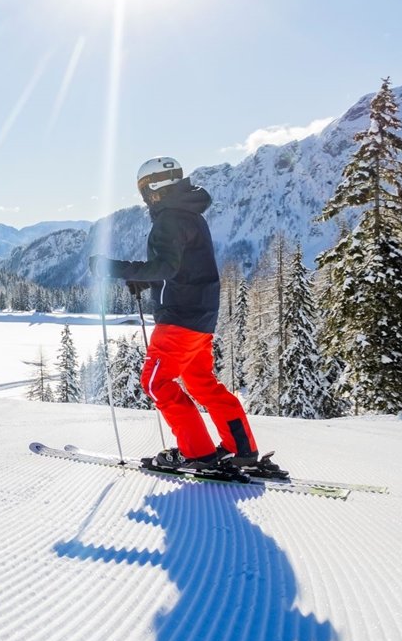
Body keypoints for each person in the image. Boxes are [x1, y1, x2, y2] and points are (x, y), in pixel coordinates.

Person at [88, 157, 286, 478]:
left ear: (154, 187)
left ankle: (198, 453)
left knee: (156, 383)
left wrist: (115, 268)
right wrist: (145, 279)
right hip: (201, 316)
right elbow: (184, 268)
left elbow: (167, 267)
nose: (144, 197)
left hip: (178, 317)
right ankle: (241, 449)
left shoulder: (170, 218)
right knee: (201, 383)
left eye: (144, 189)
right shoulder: (190, 214)